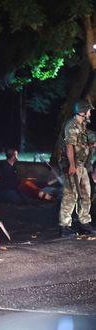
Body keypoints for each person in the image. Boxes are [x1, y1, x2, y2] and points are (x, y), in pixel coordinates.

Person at [58, 99, 96, 237]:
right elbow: (69, 146)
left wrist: (91, 146)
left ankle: (84, 222)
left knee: (86, 194)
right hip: (73, 166)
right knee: (71, 194)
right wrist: (72, 165)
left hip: (82, 165)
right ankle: (65, 225)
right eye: (89, 110)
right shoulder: (72, 125)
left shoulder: (83, 125)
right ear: (83, 111)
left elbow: (80, 145)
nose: (90, 112)